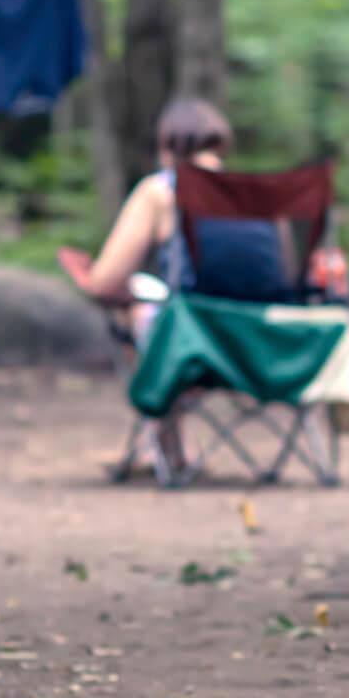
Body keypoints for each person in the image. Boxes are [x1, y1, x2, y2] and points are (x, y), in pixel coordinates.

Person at [60, 98, 233, 476]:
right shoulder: (253, 194)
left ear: (169, 145)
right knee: (166, 303)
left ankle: (163, 437)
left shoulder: (160, 191)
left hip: (187, 341)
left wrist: (89, 278)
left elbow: (106, 280)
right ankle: (168, 442)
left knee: (141, 296)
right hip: (254, 343)